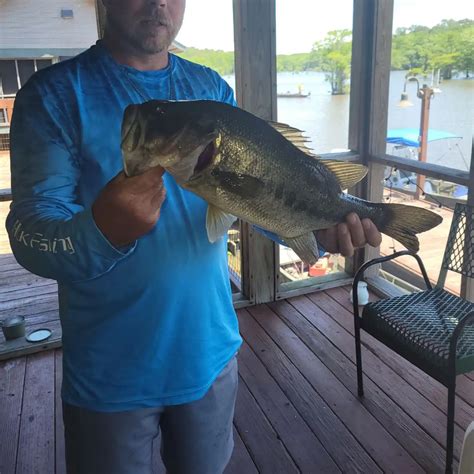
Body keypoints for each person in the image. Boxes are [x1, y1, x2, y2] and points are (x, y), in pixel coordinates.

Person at [6, 1, 382, 473]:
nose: (159, 3)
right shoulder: (54, 95)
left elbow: (252, 202)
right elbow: (30, 231)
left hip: (211, 352)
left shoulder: (210, 88)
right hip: (110, 372)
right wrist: (101, 229)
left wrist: (318, 230)